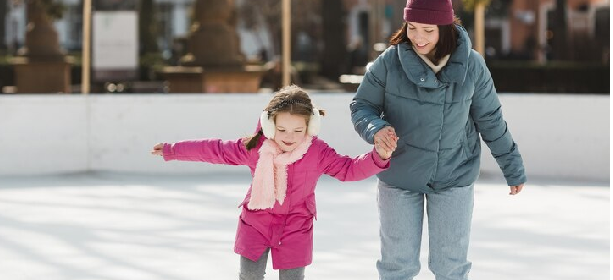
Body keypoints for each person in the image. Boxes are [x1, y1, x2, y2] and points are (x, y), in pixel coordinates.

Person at [350, 0, 527, 279]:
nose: (418, 37)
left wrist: (512, 166)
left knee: (451, 267)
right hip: (399, 174)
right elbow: (362, 106)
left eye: (428, 30)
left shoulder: (472, 66)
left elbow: (490, 119)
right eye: (412, 27)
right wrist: (376, 128)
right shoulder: (389, 62)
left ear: (445, 28)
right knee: (397, 265)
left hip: (453, 174)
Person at [152, 84, 397, 280]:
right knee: (249, 276)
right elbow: (215, 150)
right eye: (282, 129)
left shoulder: (317, 152)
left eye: (297, 131)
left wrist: (379, 157)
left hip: (296, 227)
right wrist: (172, 150)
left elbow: (348, 169)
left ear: (310, 126)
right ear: (270, 125)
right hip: (255, 223)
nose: (289, 137)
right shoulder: (255, 147)